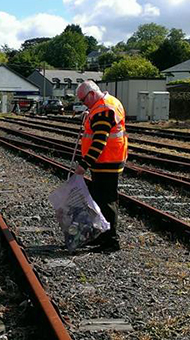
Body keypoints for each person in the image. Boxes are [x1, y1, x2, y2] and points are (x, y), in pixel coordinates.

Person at [74, 80, 128, 251]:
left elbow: (99, 141)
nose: (83, 104)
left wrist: (84, 164)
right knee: (100, 199)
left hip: (107, 161)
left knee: (106, 201)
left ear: (91, 94)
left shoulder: (103, 110)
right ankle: (102, 236)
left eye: (83, 100)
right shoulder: (108, 102)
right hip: (108, 160)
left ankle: (111, 241)